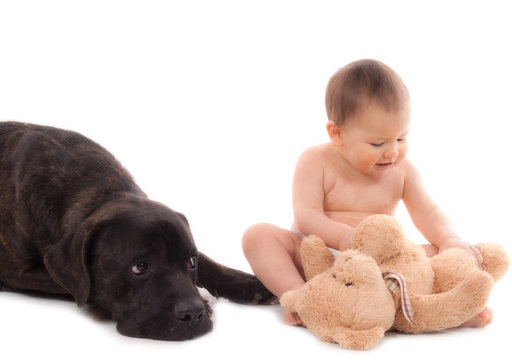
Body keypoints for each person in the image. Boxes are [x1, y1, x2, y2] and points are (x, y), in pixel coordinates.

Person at [242, 59, 491, 327]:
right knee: (258, 236)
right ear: (336, 133)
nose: (393, 151)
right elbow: (306, 216)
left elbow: (429, 212)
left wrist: (449, 239)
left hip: (380, 265)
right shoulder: (315, 160)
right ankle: (300, 297)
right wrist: (345, 238)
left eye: (401, 138)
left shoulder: (402, 170)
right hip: (316, 257)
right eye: (377, 142)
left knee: (432, 254)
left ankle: (453, 306)